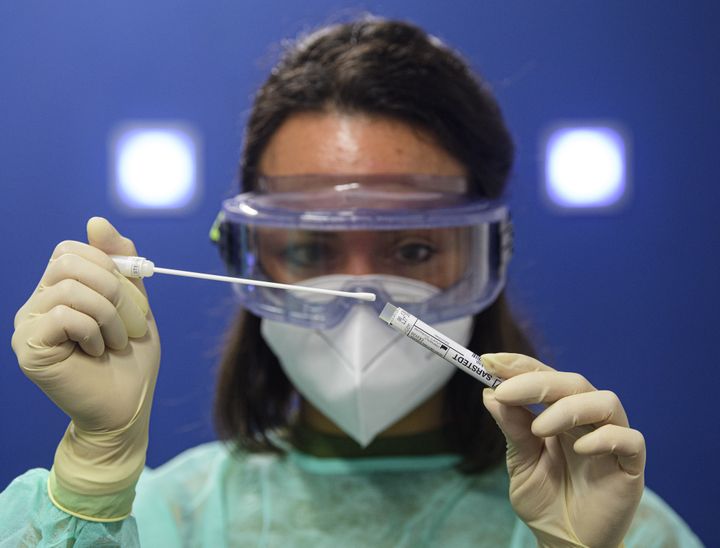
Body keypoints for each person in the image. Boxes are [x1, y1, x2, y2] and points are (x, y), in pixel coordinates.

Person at [1, 17, 702, 548]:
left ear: (489, 254)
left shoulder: (610, 519)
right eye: (311, 247)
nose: (363, 296)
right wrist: (92, 475)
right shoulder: (155, 521)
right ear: (255, 258)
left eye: (415, 247)